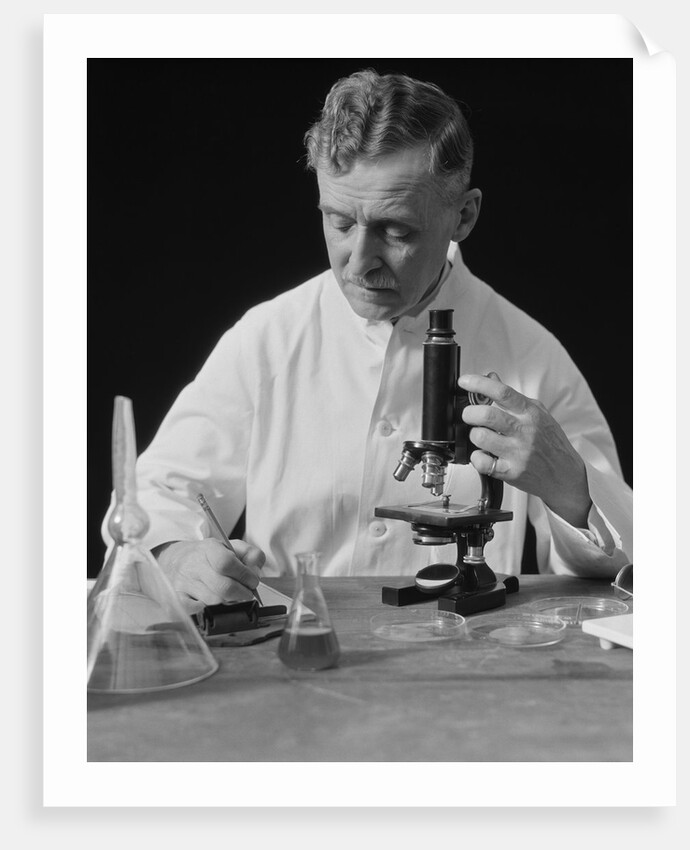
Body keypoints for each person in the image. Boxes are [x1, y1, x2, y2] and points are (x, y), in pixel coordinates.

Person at [103, 69, 632, 613]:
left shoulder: (532, 356)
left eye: (396, 230)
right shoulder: (267, 338)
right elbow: (157, 493)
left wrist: (572, 489)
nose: (358, 263)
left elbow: (624, 570)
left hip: (467, 662)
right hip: (300, 644)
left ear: (464, 215)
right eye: (339, 222)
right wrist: (175, 556)